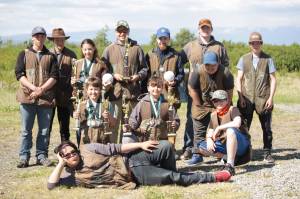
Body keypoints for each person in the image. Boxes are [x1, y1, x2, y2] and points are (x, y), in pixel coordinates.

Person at [47, 140, 232, 190]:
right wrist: (60, 163)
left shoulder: (88, 148)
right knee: (171, 177)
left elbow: (116, 147)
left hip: (132, 158)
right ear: (63, 159)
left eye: (73, 152)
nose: (72, 155)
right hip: (134, 174)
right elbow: (51, 185)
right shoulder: (74, 178)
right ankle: (214, 177)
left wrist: (141, 145)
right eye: (67, 155)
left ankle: (165, 175)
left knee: (166, 146)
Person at [180, 18, 229, 161]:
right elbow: (178, 63)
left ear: (211, 29)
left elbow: (225, 69)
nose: (205, 30)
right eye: (202, 28)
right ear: (198, 29)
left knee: (218, 120)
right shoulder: (190, 46)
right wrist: (183, 78)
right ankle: (190, 149)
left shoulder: (219, 47)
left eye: (207, 28)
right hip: (195, 91)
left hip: (215, 92)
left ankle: (219, 149)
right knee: (192, 120)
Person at [15, 26, 58, 168]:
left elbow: (54, 76)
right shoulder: (24, 53)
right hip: (27, 98)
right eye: (37, 36)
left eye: (42, 36)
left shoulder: (51, 56)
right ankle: (24, 157)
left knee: (44, 131)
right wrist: (34, 88)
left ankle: (41, 156)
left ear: (45, 37)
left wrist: (41, 90)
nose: (39, 38)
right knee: (26, 130)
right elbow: (19, 74)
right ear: (32, 37)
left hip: (45, 99)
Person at [102, 20, 148, 143]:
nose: (122, 33)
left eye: (124, 31)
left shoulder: (137, 48)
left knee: (129, 126)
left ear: (128, 31)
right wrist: (113, 75)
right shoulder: (109, 49)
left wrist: (137, 76)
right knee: (113, 126)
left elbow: (145, 69)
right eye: (119, 31)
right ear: (115, 32)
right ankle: (113, 153)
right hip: (115, 94)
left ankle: (128, 154)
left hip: (132, 93)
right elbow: (102, 70)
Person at [236, 32, 277, 163]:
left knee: (266, 128)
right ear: (249, 44)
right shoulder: (243, 59)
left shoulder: (268, 59)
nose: (255, 44)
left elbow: (273, 79)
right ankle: (245, 151)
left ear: (261, 43)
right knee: (243, 127)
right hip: (246, 99)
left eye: (258, 42)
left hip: (263, 99)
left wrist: (270, 98)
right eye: (253, 42)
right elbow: (239, 79)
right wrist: (240, 96)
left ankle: (267, 152)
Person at [187, 51, 234, 165]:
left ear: (218, 63)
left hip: (221, 103)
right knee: (199, 129)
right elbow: (191, 88)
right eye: (207, 65)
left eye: (213, 65)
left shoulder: (226, 73)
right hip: (201, 104)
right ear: (204, 64)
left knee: (223, 129)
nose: (211, 67)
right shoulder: (197, 71)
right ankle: (197, 154)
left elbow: (230, 92)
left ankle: (224, 152)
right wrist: (198, 103)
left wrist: (224, 107)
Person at [196, 90, 251, 175]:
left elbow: (237, 123)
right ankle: (228, 157)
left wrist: (219, 127)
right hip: (225, 144)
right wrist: (209, 139)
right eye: (215, 100)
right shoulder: (213, 114)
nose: (218, 103)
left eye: (221, 100)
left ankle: (230, 165)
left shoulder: (233, 109)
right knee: (201, 146)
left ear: (227, 100)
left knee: (230, 130)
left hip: (241, 144)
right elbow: (210, 131)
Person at [122, 76, 180, 145]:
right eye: (153, 86)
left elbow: (176, 120)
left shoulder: (167, 104)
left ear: (162, 88)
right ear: (148, 88)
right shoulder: (142, 103)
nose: (156, 88)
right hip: (144, 142)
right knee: (127, 139)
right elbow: (133, 121)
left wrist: (175, 124)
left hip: (162, 142)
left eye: (158, 86)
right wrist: (129, 126)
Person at [47, 28, 77, 142]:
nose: (60, 42)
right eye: (57, 40)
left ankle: (67, 151)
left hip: (65, 96)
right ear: (53, 40)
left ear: (65, 40)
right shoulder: (47, 54)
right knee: (46, 127)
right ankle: (43, 153)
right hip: (49, 96)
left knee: (64, 128)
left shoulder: (71, 55)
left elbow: (76, 74)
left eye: (62, 40)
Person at [144, 27, 184, 109]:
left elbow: (181, 74)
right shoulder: (149, 55)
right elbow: (145, 76)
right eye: (160, 38)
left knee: (170, 120)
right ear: (156, 40)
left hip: (170, 95)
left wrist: (175, 81)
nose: (162, 41)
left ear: (169, 39)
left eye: (165, 38)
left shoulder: (176, 55)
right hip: (153, 95)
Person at [73, 77, 117, 146]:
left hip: (102, 140)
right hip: (86, 140)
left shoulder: (107, 104)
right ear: (87, 90)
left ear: (100, 90)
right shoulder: (81, 105)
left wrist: (109, 116)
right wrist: (75, 115)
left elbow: (113, 124)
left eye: (96, 89)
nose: (93, 92)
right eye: (91, 89)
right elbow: (78, 124)